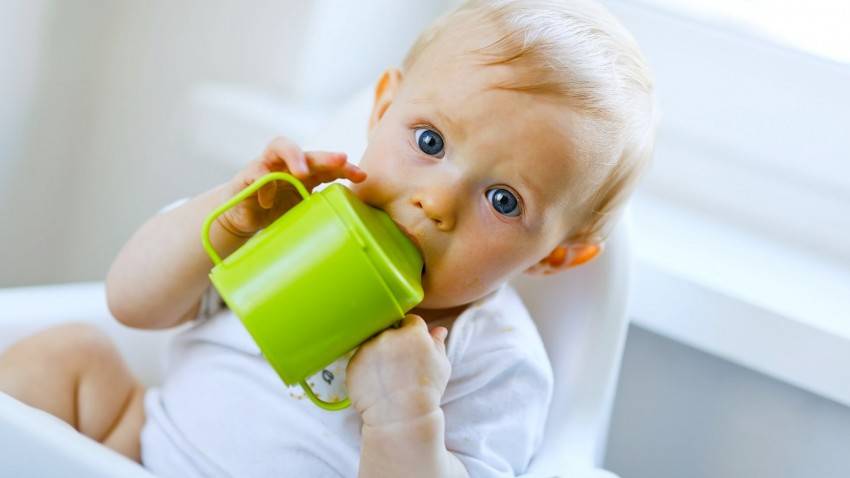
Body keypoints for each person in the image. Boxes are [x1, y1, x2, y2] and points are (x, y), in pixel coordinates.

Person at [0, 1, 657, 476]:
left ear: (557, 256)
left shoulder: (495, 361)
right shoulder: (295, 225)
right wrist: (224, 223)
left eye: (504, 201)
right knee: (69, 354)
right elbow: (130, 304)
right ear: (383, 109)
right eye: (430, 141)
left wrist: (405, 418)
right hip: (139, 450)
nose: (435, 202)